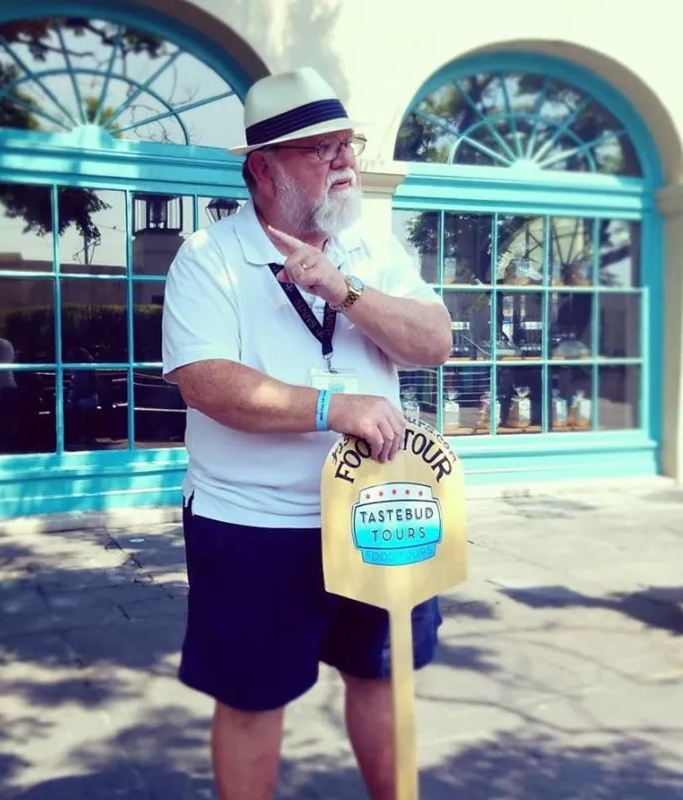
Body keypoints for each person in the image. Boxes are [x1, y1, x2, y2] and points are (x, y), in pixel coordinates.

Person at [161, 67, 452, 800]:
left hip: (376, 512)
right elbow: (206, 382)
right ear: (262, 169)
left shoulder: (373, 251)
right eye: (319, 150)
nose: (343, 161)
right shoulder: (208, 259)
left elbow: (434, 341)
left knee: (383, 677)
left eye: (346, 146)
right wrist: (334, 407)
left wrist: (342, 289)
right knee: (254, 700)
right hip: (254, 521)